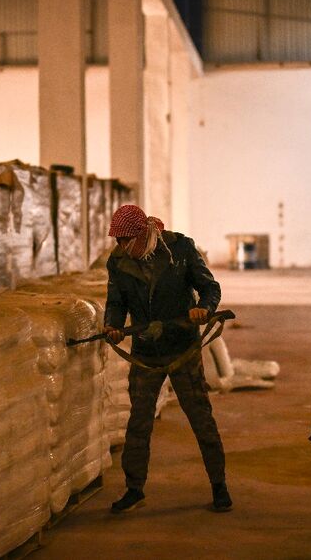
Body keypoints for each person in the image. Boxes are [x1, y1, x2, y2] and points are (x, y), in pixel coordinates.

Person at [104, 204, 232, 514]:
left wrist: (204, 308)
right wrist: (113, 325)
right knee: (138, 422)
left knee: (200, 416)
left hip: (182, 348)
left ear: (144, 234)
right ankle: (134, 488)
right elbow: (116, 301)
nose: (122, 247)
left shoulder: (180, 249)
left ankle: (219, 485)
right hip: (146, 353)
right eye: (118, 241)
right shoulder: (118, 262)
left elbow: (209, 287)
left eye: (126, 240)